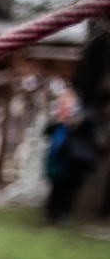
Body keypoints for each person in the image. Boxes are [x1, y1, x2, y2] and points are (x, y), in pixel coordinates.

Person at [44, 90, 97, 224]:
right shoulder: (57, 115)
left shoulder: (82, 114)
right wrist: (56, 119)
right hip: (56, 157)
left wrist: (72, 119)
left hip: (73, 158)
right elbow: (46, 131)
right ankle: (52, 213)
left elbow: (89, 125)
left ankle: (63, 213)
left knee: (68, 188)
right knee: (56, 186)